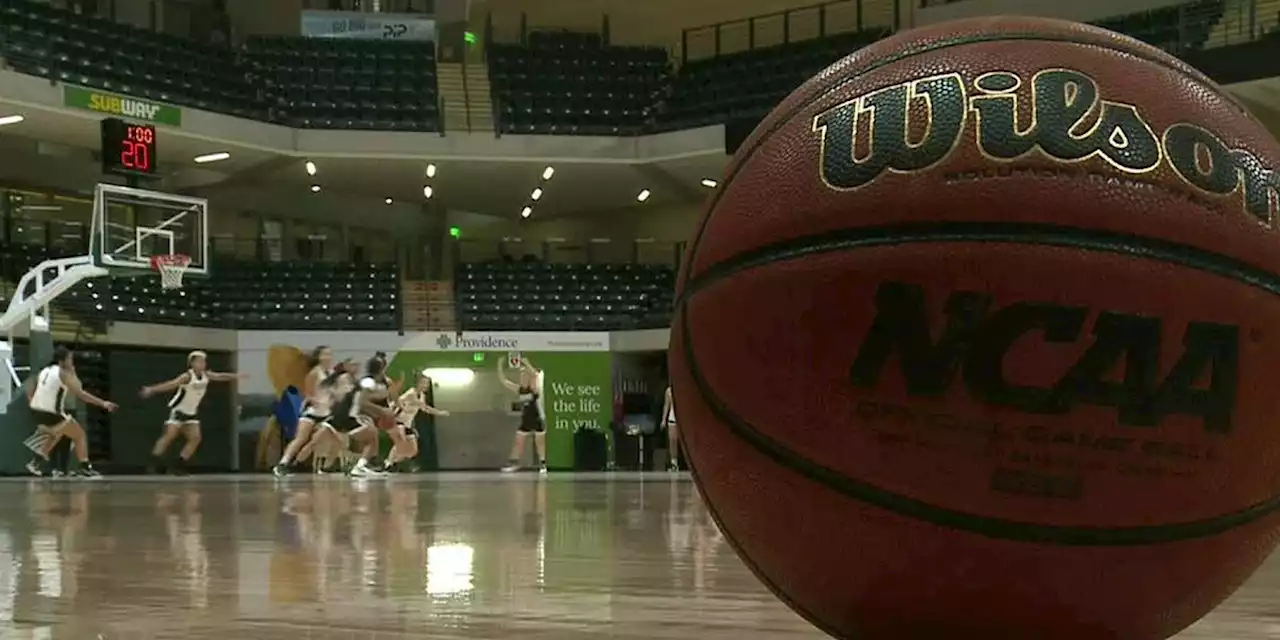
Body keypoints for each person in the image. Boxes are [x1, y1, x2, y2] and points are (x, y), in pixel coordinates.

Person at [140, 350, 247, 475]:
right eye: (199, 361)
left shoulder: (206, 375)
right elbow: (171, 385)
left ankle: (179, 465)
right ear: (192, 363)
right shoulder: (187, 376)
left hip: (191, 413)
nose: (202, 364)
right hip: (178, 410)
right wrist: (152, 389)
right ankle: (153, 463)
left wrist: (237, 376)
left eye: (204, 361)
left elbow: (221, 376)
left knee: (195, 438)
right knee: (169, 436)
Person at [24, 346, 117, 478]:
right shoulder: (64, 373)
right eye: (70, 358)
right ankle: (85, 468)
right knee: (80, 435)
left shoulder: (44, 370)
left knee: (56, 434)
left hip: (36, 410)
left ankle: (35, 463)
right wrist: (103, 403)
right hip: (52, 412)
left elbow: (29, 387)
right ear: (63, 361)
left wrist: (32, 402)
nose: (72, 361)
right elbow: (81, 394)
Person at [273, 346, 352, 477]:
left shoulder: (332, 373)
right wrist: (315, 401)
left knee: (335, 439)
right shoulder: (315, 373)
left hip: (327, 413)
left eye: (329, 354)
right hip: (313, 412)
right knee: (300, 438)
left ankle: (326, 466)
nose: (328, 357)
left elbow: (335, 393)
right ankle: (283, 464)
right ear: (319, 357)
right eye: (325, 354)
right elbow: (308, 393)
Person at [344, 353, 404, 477]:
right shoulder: (368, 382)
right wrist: (382, 411)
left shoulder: (375, 382)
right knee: (370, 438)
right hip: (356, 415)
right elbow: (362, 402)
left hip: (363, 415)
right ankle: (358, 464)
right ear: (381, 369)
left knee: (373, 440)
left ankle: (362, 466)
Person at [381, 372, 448, 472]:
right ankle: (388, 463)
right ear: (417, 383)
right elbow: (425, 407)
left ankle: (393, 463)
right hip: (397, 421)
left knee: (412, 451)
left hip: (407, 424)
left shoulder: (422, 395)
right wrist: (440, 413)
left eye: (427, 383)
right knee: (400, 443)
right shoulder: (411, 393)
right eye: (423, 383)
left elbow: (423, 409)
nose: (426, 385)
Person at [498, 356, 546, 474]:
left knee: (539, 443)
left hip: (537, 418)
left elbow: (535, 374)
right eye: (521, 375)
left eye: (525, 375)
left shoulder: (535, 388)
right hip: (525, 420)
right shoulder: (519, 390)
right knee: (518, 442)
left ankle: (543, 465)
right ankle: (514, 463)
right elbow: (504, 381)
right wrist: (499, 365)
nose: (522, 377)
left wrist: (526, 363)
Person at [662, 385, 679, 471]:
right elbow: (666, 405)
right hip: (672, 419)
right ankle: (674, 464)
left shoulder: (682, 389)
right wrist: (663, 420)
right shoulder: (668, 391)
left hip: (682, 420)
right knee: (672, 441)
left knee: (678, 442)